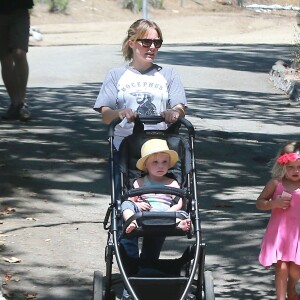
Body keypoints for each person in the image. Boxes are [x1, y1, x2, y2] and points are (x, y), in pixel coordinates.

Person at [93, 18, 186, 150]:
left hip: (160, 147)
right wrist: (120, 113)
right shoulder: (115, 75)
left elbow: (180, 108)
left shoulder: (169, 74)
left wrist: (174, 112)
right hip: (125, 146)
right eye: (147, 42)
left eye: (157, 42)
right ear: (132, 43)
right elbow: (106, 115)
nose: (152, 47)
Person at [256, 141, 300, 300]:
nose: (295, 171)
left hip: (298, 235)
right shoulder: (276, 184)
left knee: (296, 270)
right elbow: (259, 203)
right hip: (280, 234)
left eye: (299, 167)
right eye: (291, 167)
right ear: (282, 166)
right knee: (281, 267)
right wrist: (273, 203)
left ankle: (291, 287)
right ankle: (280, 297)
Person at [122, 139, 191, 234]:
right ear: (145, 164)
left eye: (164, 162)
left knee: (183, 213)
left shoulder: (172, 183)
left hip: (167, 213)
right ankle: (131, 222)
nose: (160, 166)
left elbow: (179, 204)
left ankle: (179, 224)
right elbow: (131, 200)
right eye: (155, 162)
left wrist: (168, 213)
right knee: (126, 204)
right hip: (144, 215)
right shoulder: (139, 182)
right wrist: (138, 205)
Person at [0, 0, 33, 121]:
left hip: (19, 11)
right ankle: (15, 103)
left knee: (19, 53)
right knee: (5, 59)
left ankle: (21, 102)